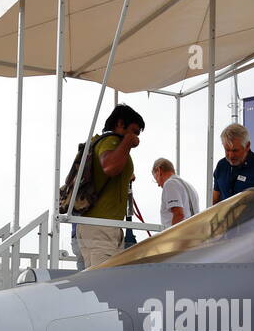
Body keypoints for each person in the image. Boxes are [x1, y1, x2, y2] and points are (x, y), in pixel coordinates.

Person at [79, 104, 145, 267]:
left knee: (98, 281)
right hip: (102, 227)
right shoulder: (111, 141)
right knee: (103, 283)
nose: (137, 137)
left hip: (99, 226)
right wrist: (128, 142)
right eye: (134, 131)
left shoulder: (100, 142)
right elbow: (110, 167)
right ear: (120, 124)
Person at [212, 123, 254, 204]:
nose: (231, 156)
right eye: (227, 150)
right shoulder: (221, 165)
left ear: (247, 146)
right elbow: (215, 199)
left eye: (235, 151)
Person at [152, 158, 199, 229]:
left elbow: (179, 214)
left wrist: (171, 236)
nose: (158, 185)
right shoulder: (190, 187)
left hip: (180, 236)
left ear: (159, 171)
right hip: (194, 234)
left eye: (156, 180)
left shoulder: (170, 184)